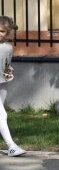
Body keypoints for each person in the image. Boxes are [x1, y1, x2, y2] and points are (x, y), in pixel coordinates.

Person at [0, 16, 26, 157]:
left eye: (2, 31)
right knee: (1, 114)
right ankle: (11, 146)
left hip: (2, 82)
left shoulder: (8, 48)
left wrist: (8, 73)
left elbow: (6, 65)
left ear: (7, 33)